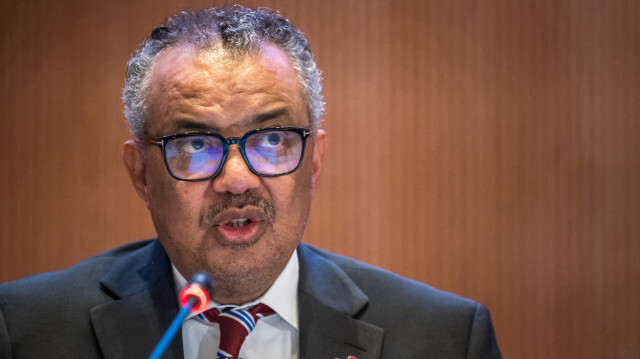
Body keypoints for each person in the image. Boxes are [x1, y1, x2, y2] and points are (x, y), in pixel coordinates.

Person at [0, 5, 501, 359]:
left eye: (271, 140)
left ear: (316, 161)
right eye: (196, 145)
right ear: (141, 176)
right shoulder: (27, 331)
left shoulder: (443, 339)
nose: (237, 180)